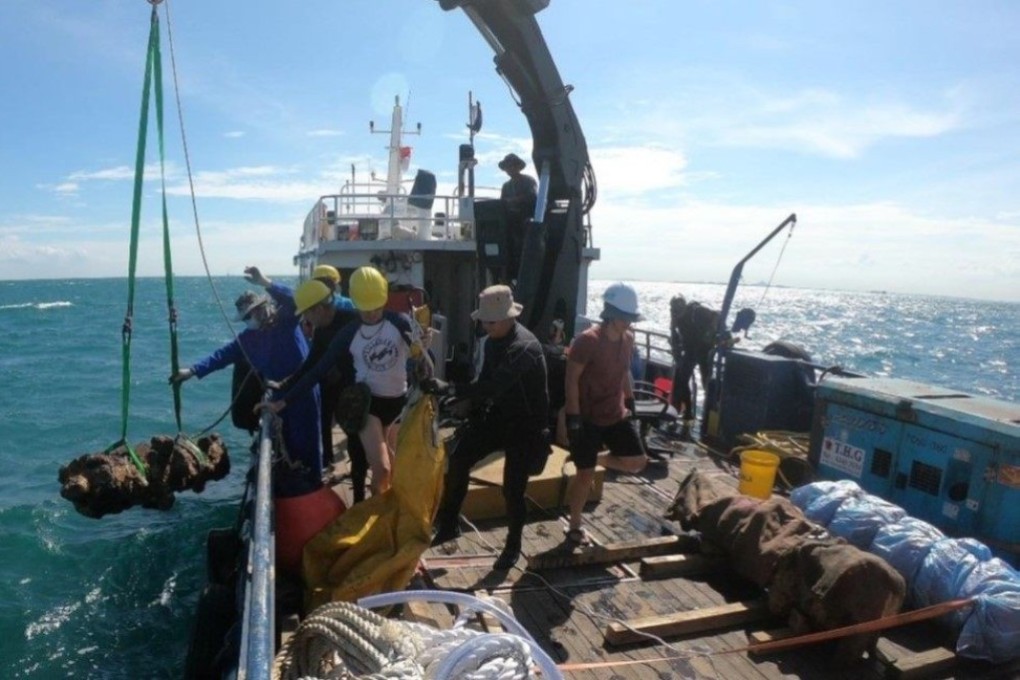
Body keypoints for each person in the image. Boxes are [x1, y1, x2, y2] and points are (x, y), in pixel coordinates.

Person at [171, 266, 322, 499]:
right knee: (289, 442)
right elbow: (222, 356)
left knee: (309, 438)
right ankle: (294, 486)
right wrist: (191, 371)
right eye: (244, 319)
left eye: (249, 316)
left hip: (303, 389)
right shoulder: (248, 338)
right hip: (277, 395)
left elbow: (294, 299)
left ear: (261, 309)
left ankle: (314, 486)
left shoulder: (286, 320)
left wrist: (266, 282)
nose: (247, 322)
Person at [263, 266, 415, 497]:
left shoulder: (383, 320)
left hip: (387, 397)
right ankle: (362, 505)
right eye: (365, 309)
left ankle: (377, 509)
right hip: (360, 399)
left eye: (308, 314)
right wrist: (283, 397)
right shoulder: (340, 331)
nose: (371, 313)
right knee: (370, 460)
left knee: (389, 466)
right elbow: (314, 368)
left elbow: (419, 355)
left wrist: (421, 352)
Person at [430, 285, 551, 571]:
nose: (486, 325)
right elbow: (485, 383)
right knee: (458, 458)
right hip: (498, 416)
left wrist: (449, 388)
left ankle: (513, 545)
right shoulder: (492, 340)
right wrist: (466, 405)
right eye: (484, 320)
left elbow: (494, 385)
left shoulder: (525, 347)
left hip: (526, 425)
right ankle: (449, 524)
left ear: (510, 318)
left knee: (513, 489)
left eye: (491, 321)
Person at [564, 283, 649, 545]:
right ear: (611, 314)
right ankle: (574, 525)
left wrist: (631, 401)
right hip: (587, 416)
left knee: (637, 462)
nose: (628, 322)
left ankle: (596, 459)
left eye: (631, 318)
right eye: (625, 317)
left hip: (615, 413)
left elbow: (624, 372)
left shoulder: (629, 339)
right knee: (584, 475)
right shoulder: (587, 341)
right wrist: (574, 417)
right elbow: (571, 380)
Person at [281, 279, 362, 484]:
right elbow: (310, 364)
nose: (306, 319)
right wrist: (284, 386)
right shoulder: (322, 330)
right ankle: (330, 462)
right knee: (329, 420)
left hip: (363, 390)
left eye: (307, 313)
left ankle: (361, 486)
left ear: (318, 309)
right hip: (337, 385)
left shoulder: (354, 320)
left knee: (356, 438)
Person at [668, 294, 720, 423]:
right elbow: (674, 336)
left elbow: (717, 315)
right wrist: (676, 349)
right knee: (681, 378)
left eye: (679, 311)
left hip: (704, 350)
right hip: (690, 350)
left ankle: (709, 415)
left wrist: (709, 335)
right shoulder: (675, 317)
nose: (677, 314)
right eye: (674, 311)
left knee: (706, 381)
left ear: (684, 307)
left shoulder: (696, 311)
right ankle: (688, 412)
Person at [498, 152, 537, 281]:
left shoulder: (528, 181)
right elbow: (502, 203)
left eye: (512, 166)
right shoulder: (506, 186)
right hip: (510, 222)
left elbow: (533, 197)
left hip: (526, 219)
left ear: (518, 167)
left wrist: (515, 201)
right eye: (507, 167)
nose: (510, 169)